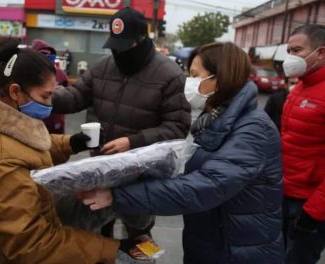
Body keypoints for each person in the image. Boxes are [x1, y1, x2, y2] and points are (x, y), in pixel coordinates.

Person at [80, 42, 284, 263]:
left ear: (220, 79)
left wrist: (117, 196)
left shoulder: (253, 129)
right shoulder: (216, 118)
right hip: (211, 239)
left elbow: (206, 186)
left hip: (238, 249)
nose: (189, 82)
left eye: (196, 75)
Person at [0, 42, 119, 263]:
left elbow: (25, 146)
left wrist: (72, 144)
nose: (50, 105)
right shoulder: (1, 162)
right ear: (15, 91)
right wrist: (108, 251)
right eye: (45, 97)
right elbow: (29, 244)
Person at [53, 7, 190, 239]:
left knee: (138, 234)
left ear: (141, 40)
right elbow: (75, 97)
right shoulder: (102, 67)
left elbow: (177, 128)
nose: (118, 53)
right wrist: (44, 96)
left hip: (141, 176)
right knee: (95, 230)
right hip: (101, 168)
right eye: (114, 46)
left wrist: (133, 142)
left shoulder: (169, 75)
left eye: (124, 46)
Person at [280, 24, 325, 264]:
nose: (290, 57)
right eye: (289, 50)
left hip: (311, 205)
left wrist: (315, 212)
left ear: (320, 53)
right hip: (286, 194)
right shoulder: (300, 87)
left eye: (297, 50)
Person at [32, 39, 68, 134]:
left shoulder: (60, 73)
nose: (47, 58)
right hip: (34, 123)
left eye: (50, 56)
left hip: (56, 119)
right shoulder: (28, 74)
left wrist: (61, 92)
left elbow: (69, 94)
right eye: (43, 55)